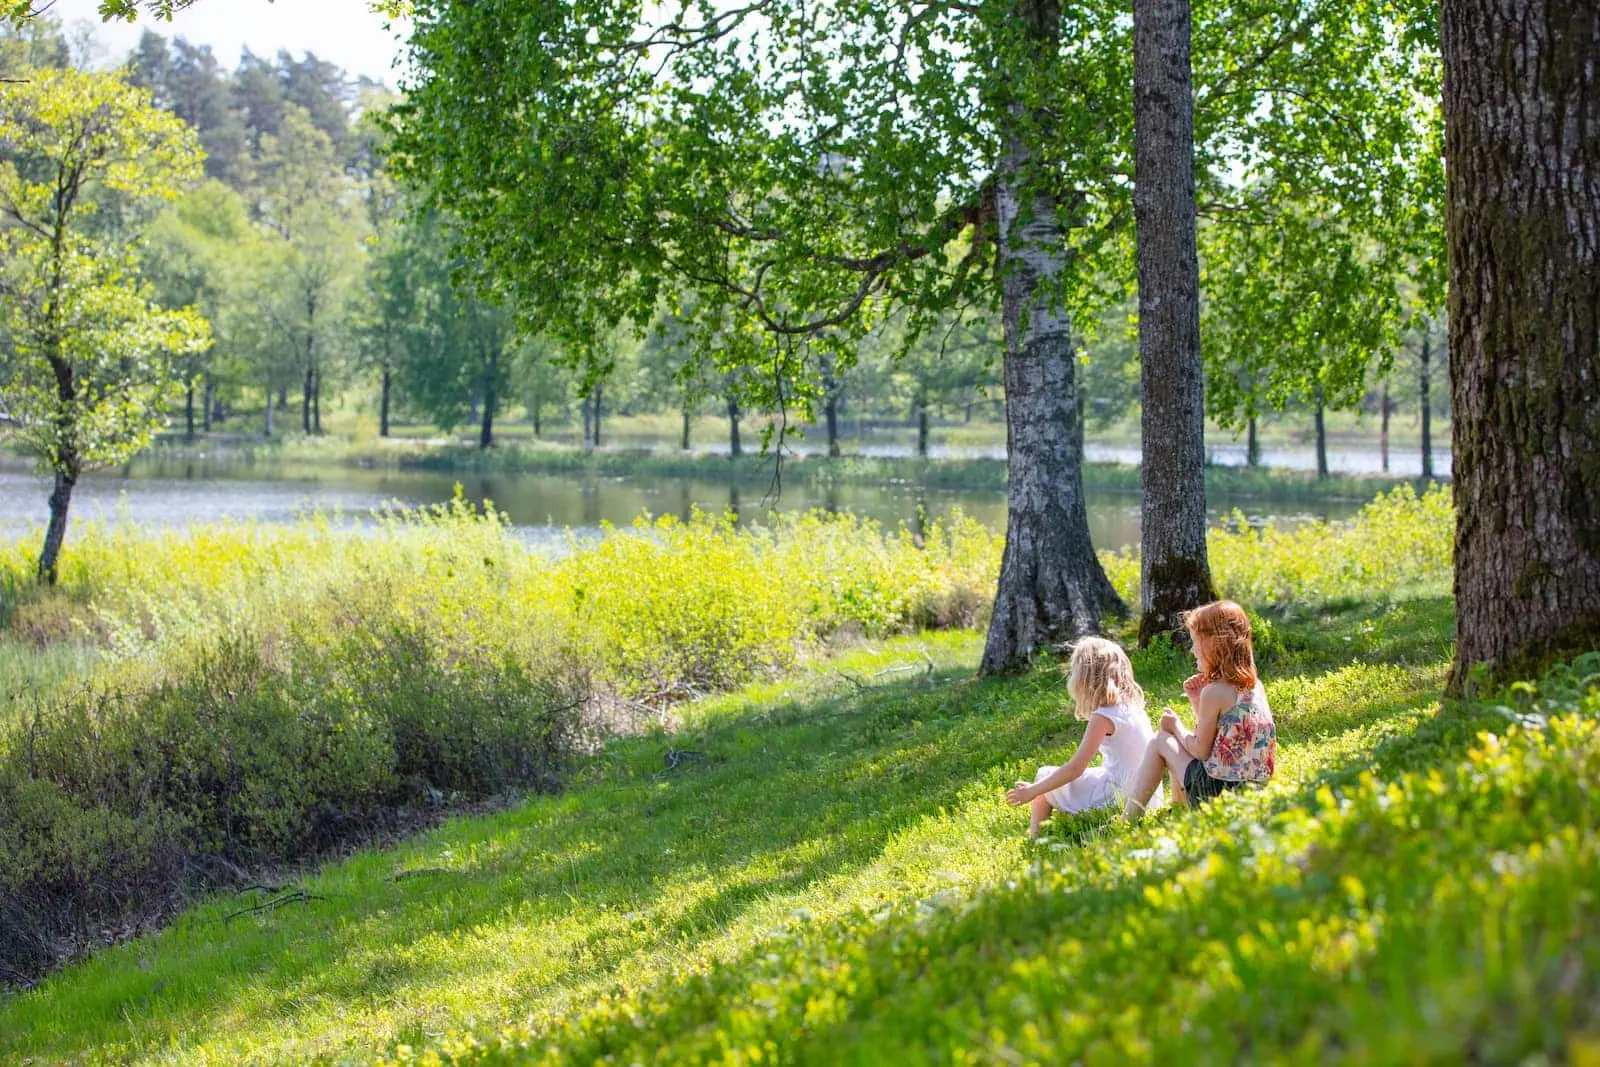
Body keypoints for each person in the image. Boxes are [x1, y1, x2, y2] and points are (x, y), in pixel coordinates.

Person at [1122, 600, 1276, 821]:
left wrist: (1175, 726)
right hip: (1253, 793)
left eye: (1196, 642)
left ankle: (1127, 820)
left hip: (1219, 793)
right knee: (1176, 745)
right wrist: (1196, 700)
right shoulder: (1254, 686)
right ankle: (1179, 812)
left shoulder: (1215, 691)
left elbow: (1201, 750)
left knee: (1161, 742)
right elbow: (1220, 739)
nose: (1192, 650)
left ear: (1216, 645)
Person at [1006, 637, 1160, 839]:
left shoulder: (1104, 716)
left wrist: (1032, 791)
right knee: (1072, 778)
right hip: (1148, 794)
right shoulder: (1132, 707)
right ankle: (1070, 828)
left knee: (1044, 776)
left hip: (1119, 795)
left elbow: (1074, 769)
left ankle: (1036, 841)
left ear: (1085, 679)